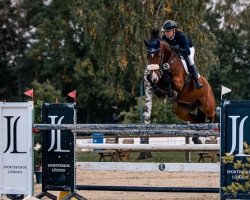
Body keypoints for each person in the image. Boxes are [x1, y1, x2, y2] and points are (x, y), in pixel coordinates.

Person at [161, 20, 203, 89]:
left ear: (174, 30)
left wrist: (178, 49)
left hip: (188, 48)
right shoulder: (164, 38)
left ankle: (196, 81)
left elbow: (187, 52)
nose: (166, 33)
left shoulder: (181, 36)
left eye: (168, 31)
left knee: (190, 59)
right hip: (175, 51)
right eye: (165, 31)